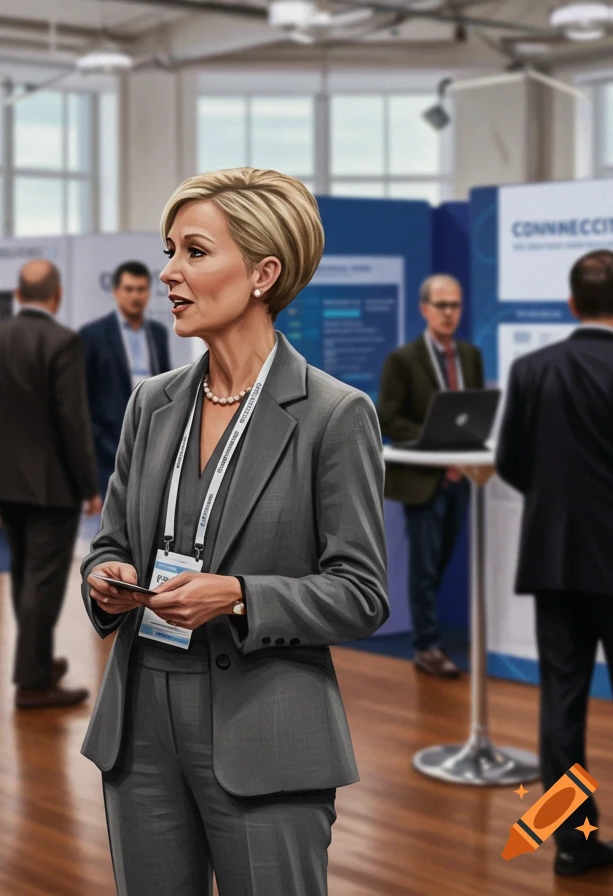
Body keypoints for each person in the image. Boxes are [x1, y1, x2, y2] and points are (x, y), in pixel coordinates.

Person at [81, 168, 388, 896]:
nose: (168, 274)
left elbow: (362, 593)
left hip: (268, 731)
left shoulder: (334, 416)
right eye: (169, 251)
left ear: (262, 272)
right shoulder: (150, 402)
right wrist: (108, 575)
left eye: (193, 252)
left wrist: (240, 595)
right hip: (140, 727)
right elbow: (112, 539)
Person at [495, 249, 613, 878]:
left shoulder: (530, 369)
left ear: (572, 304)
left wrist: (558, 509)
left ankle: (572, 844)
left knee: (561, 711)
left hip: (553, 562)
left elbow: (511, 464)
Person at [0, 259, 100, 710]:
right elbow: (72, 421)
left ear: (18, 296)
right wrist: (89, 484)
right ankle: (34, 681)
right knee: (43, 580)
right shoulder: (63, 341)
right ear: (56, 297)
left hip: (1, 480)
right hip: (51, 485)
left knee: (24, 574)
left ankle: (36, 660)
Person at [376, 273, 484, 678]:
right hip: (423, 480)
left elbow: (471, 410)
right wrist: (432, 439)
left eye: (455, 305)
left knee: (440, 564)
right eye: (442, 305)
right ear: (424, 309)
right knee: (424, 569)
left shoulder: (470, 356)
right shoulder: (403, 360)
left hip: (461, 479)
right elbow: (387, 415)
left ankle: (430, 636)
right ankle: (427, 646)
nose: (450, 313)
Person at [80, 260, 172, 497]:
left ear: (149, 294)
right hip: (108, 445)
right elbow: (82, 396)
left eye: (141, 289)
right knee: (111, 523)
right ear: (115, 292)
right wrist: (98, 439)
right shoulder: (93, 335)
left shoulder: (158, 334)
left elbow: (166, 383)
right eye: (129, 289)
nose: (135, 296)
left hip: (152, 442)